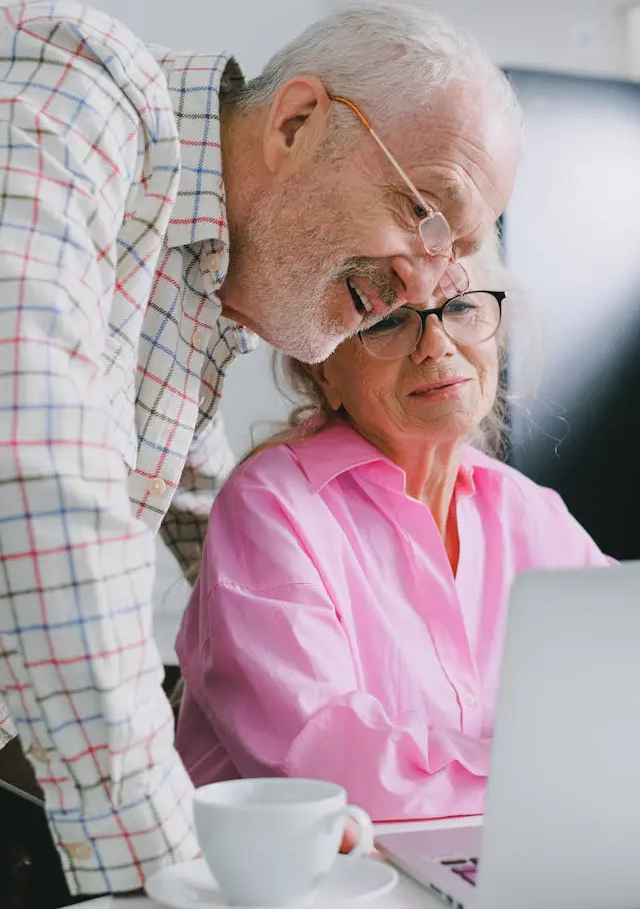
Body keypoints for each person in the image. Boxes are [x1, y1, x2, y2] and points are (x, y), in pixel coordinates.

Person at [0, 0, 520, 898]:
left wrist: (290, 810)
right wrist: (160, 859)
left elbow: (192, 503)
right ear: (297, 122)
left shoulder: (207, 287)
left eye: (458, 259)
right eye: (422, 211)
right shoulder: (81, 85)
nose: (423, 290)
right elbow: (34, 458)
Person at [175, 235, 611, 822]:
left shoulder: (530, 513)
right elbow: (330, 772)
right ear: (322, 367)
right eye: (388, 321)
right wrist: (548, 783)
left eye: (460, 307)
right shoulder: (272, 506)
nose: (436, 344)